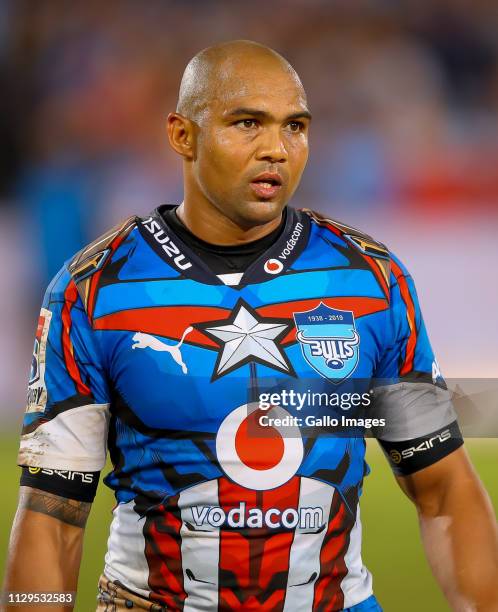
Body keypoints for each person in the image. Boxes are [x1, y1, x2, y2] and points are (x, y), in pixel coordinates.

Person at [3, 40, 498, 612]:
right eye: (247, 123)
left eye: (295, 127)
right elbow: (51, 517)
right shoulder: (93, 291)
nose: (276, 149)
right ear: (182, 135)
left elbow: (444, 490)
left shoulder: (370, 281)